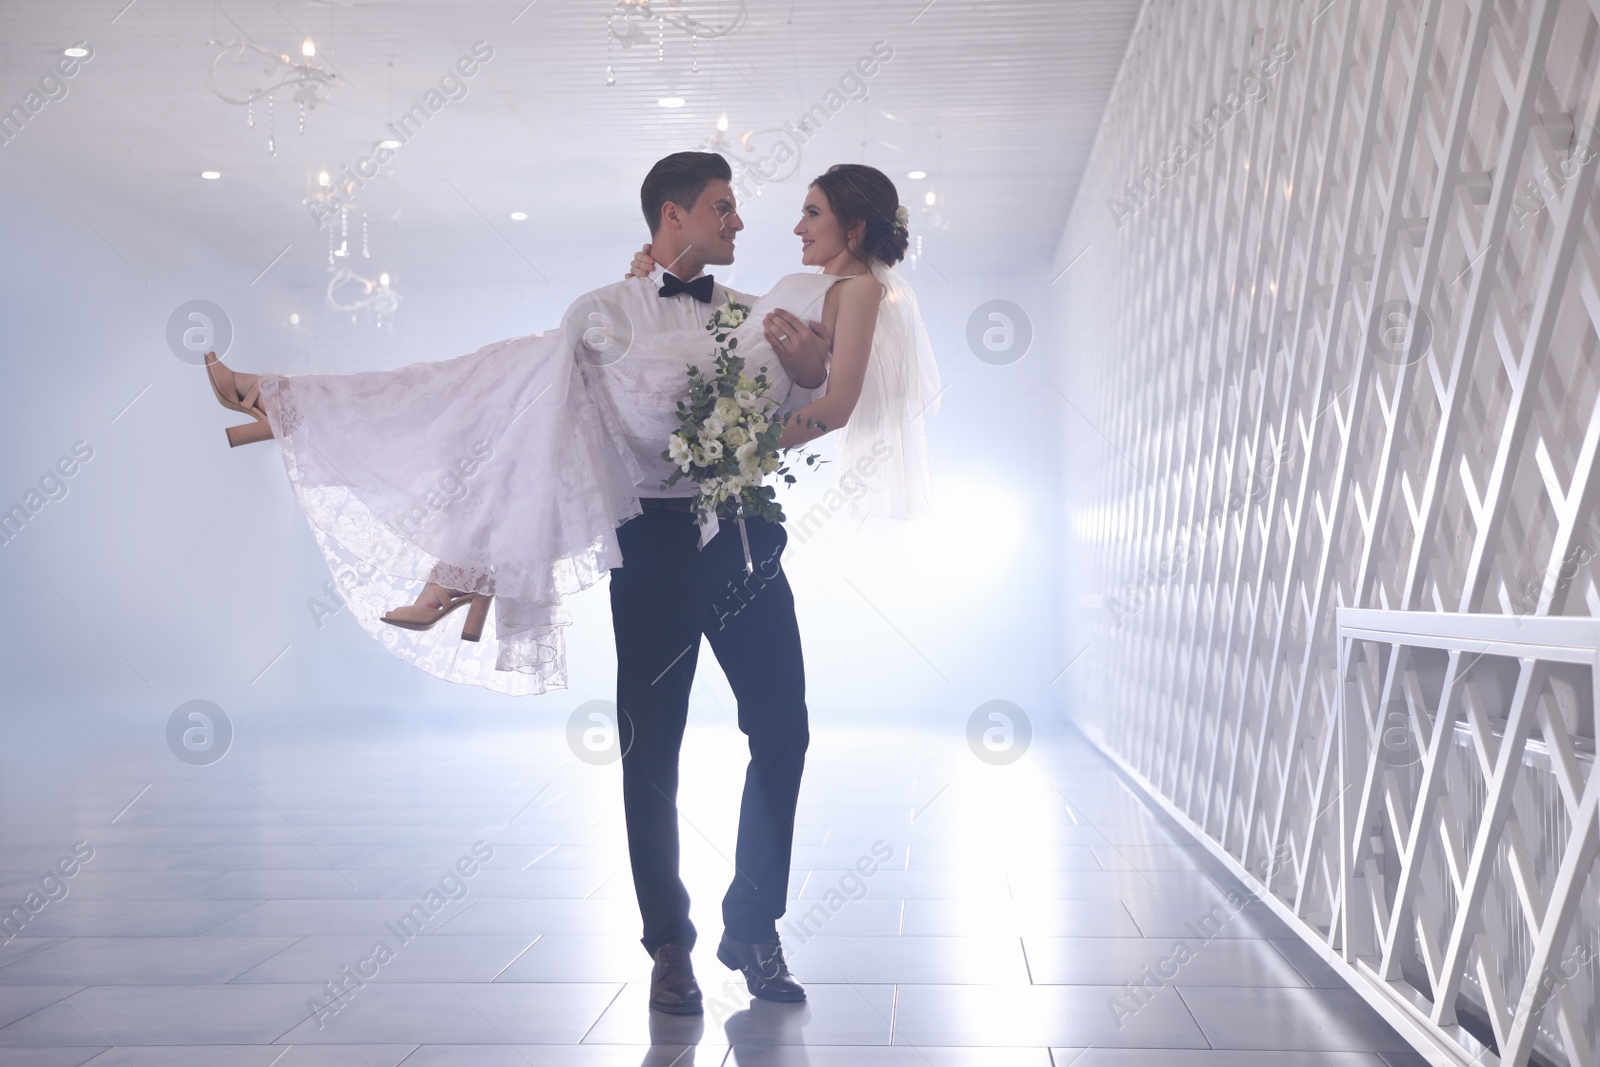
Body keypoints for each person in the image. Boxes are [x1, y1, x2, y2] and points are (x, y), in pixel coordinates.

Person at [200, 153, 940, 1013]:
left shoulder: (759, 304)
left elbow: (811, 390)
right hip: (653, 537)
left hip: (739, 530)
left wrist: (805, 377)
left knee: (784, 729)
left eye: (760, 210)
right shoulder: (599, 312)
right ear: (672, 216)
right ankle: (669, 943)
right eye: (722, 208)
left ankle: (754, 924)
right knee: (648, 740)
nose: (749, 223)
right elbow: (546, 427)